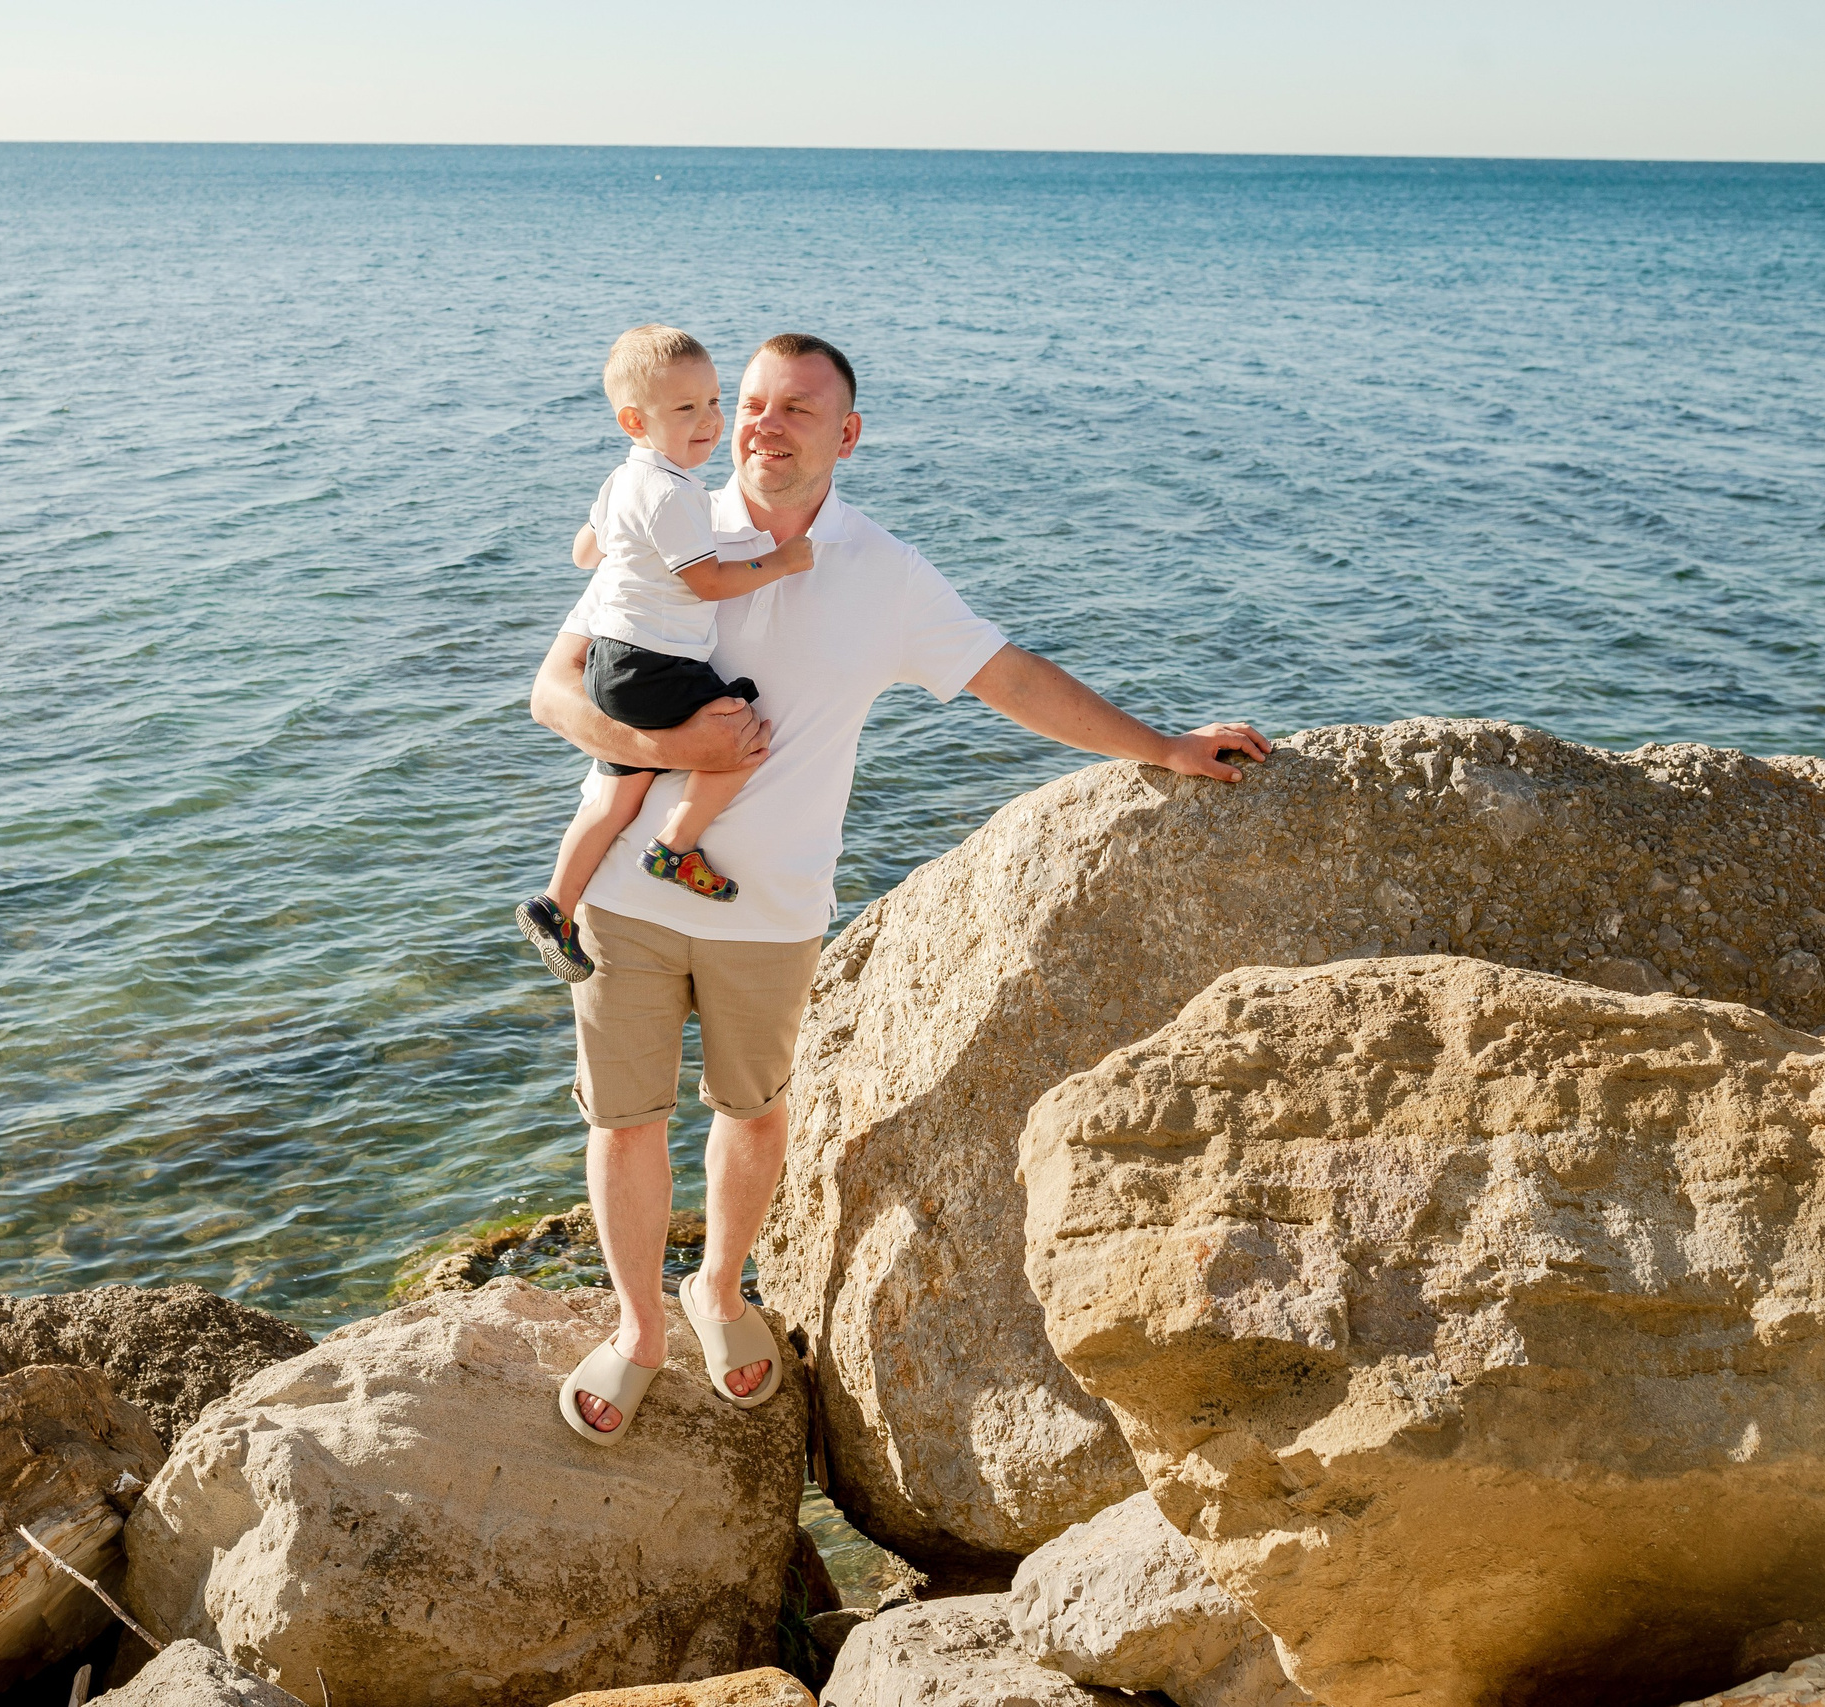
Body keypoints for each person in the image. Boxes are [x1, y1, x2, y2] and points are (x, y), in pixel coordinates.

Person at [532, 332, 1269, 1443]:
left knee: (753, 1110)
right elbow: (554, 692)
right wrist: (672, 749)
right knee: (627, 1123)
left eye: (797, 411)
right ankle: (638, 1327)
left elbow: (1007, 676)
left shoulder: (884, 573)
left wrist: (1158, 747)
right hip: (629, 896)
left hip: (768, 908)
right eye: (755, 406)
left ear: (847, 435)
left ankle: (717, 1291)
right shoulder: (667, 518)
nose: (765, 426)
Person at [514, 325, 814, 988]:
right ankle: (676, 849)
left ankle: (555, 903)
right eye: (686, 410)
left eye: (713, 402)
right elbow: (706, 582)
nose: (709, 421)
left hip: (610, 664)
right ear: (635, 420)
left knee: (615, 797)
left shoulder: (623, 479)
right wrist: (780, 560)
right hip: (656, 663)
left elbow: (583, 554)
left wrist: (636, 559)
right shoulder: (676, 493)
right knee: (743, 736)